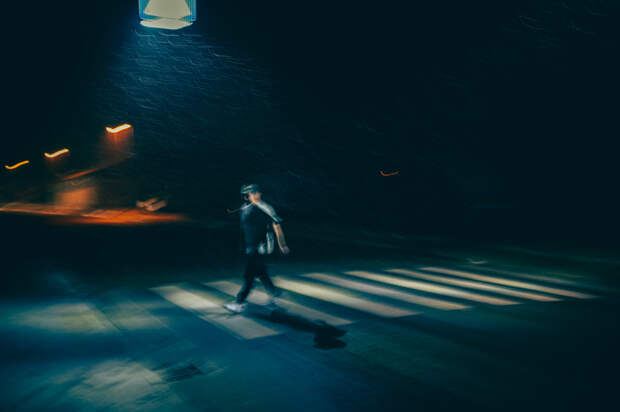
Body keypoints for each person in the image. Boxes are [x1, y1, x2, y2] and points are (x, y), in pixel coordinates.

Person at [224, 184, 289, 313]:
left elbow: (277, 225)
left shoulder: (265, 208)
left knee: (249, 275)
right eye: (247, 194)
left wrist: (282, 244)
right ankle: (275, 293)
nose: (249, 196)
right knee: (262, 274)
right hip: (250, 246)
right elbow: (246, 228)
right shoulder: (245, 207)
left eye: (252, 193)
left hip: (261, 248)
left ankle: (240, 302)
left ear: (257, 194)